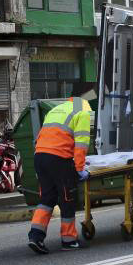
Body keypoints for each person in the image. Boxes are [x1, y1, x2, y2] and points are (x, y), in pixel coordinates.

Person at [27, 97, 92, 254]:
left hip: (40, 157)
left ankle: (35, 237)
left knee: (47, 199)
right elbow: (81, 144)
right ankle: (69, 240)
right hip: (59, 159)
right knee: (67, 198)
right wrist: (79, 168)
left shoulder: (56, 110)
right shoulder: (82, 112)